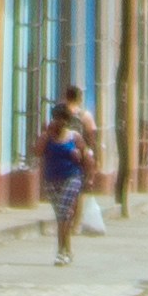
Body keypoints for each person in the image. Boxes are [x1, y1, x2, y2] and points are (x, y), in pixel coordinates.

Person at [39, 101, 89, 264]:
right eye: (56, 118)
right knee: (63, 216)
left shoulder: (74, 137)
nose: (59, 122)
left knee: (62, 212)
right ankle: (68, 250)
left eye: (62, 119)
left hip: (72, 177)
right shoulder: (47, 136)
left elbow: (86, 157)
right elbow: (37, 152)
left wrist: (89, 176)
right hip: (51, 180)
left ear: (67, 120)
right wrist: (46, 134)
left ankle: (61, 252)